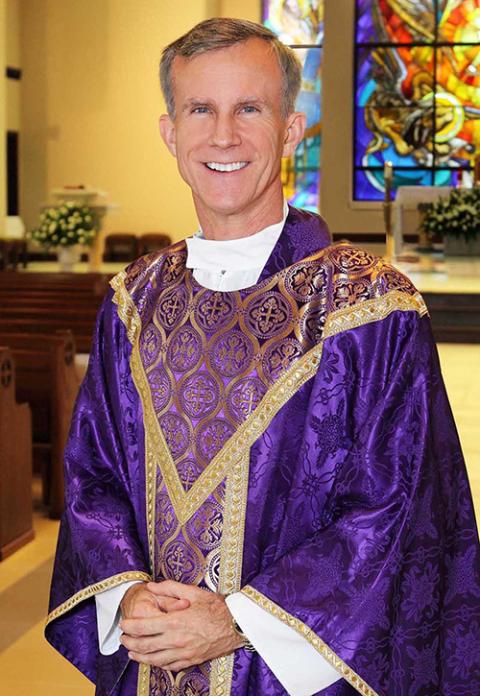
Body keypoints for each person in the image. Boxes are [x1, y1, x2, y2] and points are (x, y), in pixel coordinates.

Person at [45, 17, 480, 696]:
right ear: (171, 133)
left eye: (249, 108)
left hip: (294, 674)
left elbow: (402, 513)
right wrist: (128, 595)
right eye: (200, 109)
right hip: (151, 665)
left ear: (290, 130)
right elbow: (92, 479)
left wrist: (234, 620)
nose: (223, 136)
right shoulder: (131, 304)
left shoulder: (370, 309)